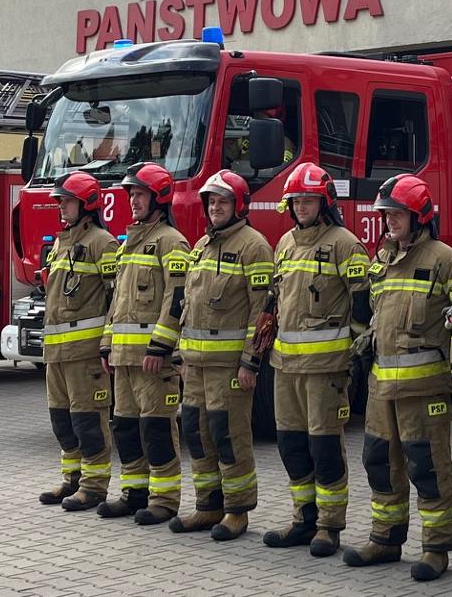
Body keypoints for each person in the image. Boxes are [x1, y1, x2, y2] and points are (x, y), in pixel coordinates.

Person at [342, 173, 452, 582]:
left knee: (428, 467)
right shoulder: (383, 259)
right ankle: (386, 537)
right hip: (381, 388)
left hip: (424, 388)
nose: (390, 221)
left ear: (420, 215)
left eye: (398, 214)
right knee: (379, 462)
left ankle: (437, 547)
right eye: (387, 214)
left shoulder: (446, 260)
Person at [146, 169, 274, 540]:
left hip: (229, 367)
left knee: (229, 435)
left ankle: (237, 511)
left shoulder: (255, 246)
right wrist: (180, 355)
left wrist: (251, 361)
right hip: (196, 366)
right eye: (211, 202)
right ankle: (208, 506)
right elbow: (186, 305)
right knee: (197, 434)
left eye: (222, 201)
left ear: (239, 205)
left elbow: (262, 311)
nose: (215, 208)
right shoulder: (201, 246)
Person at [261, 163, 371, 557]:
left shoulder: (345, 244)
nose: (301, 207)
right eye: (295, 201)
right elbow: (276, 299)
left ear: (324, 202)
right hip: (285, 369)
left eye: (307, 200)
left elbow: (363, 307)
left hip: (325, 371)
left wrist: (354, 361)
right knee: (292, 447)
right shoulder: (285, 244)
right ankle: (303, 518)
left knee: (324, 448)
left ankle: (329, 525)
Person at [97, 162, 192, 524]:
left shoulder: (172, 242)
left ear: (159, 197)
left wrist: (160, 347)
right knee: (125, 428)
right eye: (131, 194)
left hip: (153, 361)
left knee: (156, 430)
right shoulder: (127, 244)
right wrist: (107, 344)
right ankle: (134, 493)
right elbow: (116, 302)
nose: (133, 201)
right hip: (123, 358)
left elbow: (177, 299)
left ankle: (164, 500)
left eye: (139, 194)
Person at [36, 171, 121, 511]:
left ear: (86, 204)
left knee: (89, 422)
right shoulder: (61, 242)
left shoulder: (104, 243)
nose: (61, 207)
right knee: (62, 420)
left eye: (67, 201)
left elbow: (117, 299)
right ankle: (71, 479)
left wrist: (107, 343)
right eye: (60, 201)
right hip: (56, 352)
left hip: (85, 354)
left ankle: (95, 486)